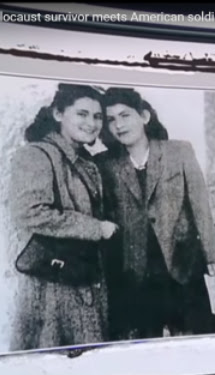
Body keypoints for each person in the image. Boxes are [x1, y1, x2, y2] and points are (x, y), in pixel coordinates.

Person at [96, 87, 215, 340]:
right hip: (136, 268)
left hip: (182, 261)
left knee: (193, 333)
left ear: (144, 116)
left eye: (125, 115)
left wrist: (211, 253)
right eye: (111, 120)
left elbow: (199, 204)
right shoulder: (106, 163)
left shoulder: (179, 151)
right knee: (147, 336)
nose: (119, 125)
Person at [8, 84, 119, 350]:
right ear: (58, 113)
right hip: (54, 287)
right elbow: (30, 212)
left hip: (83, 279)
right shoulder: (37, 155)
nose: (91, 123)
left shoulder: (83, 160)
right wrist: (96, 228)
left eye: (97, 116)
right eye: (82, 114)